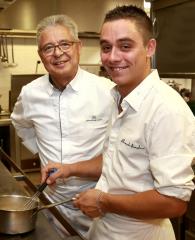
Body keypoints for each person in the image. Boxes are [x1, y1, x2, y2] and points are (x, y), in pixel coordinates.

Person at [42, 5, 195, 240]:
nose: (112, 57)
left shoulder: (167, 110)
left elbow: (174, 202)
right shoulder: (119, 97)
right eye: (106, 47)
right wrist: (70, 169)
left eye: (125, 46)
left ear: (149, 48)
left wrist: (103, 201)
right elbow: (119, 160)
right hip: (104, 231)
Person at [10, 14, 115, 237]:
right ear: (40, 55)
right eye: (48, 48)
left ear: (79, 47)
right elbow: (20, 123)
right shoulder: (31, 93)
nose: (58, 53)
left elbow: (118, 149)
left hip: (96, 203)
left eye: (65, 44)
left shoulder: (107, 92)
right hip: (52, 202)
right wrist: (41, 151)